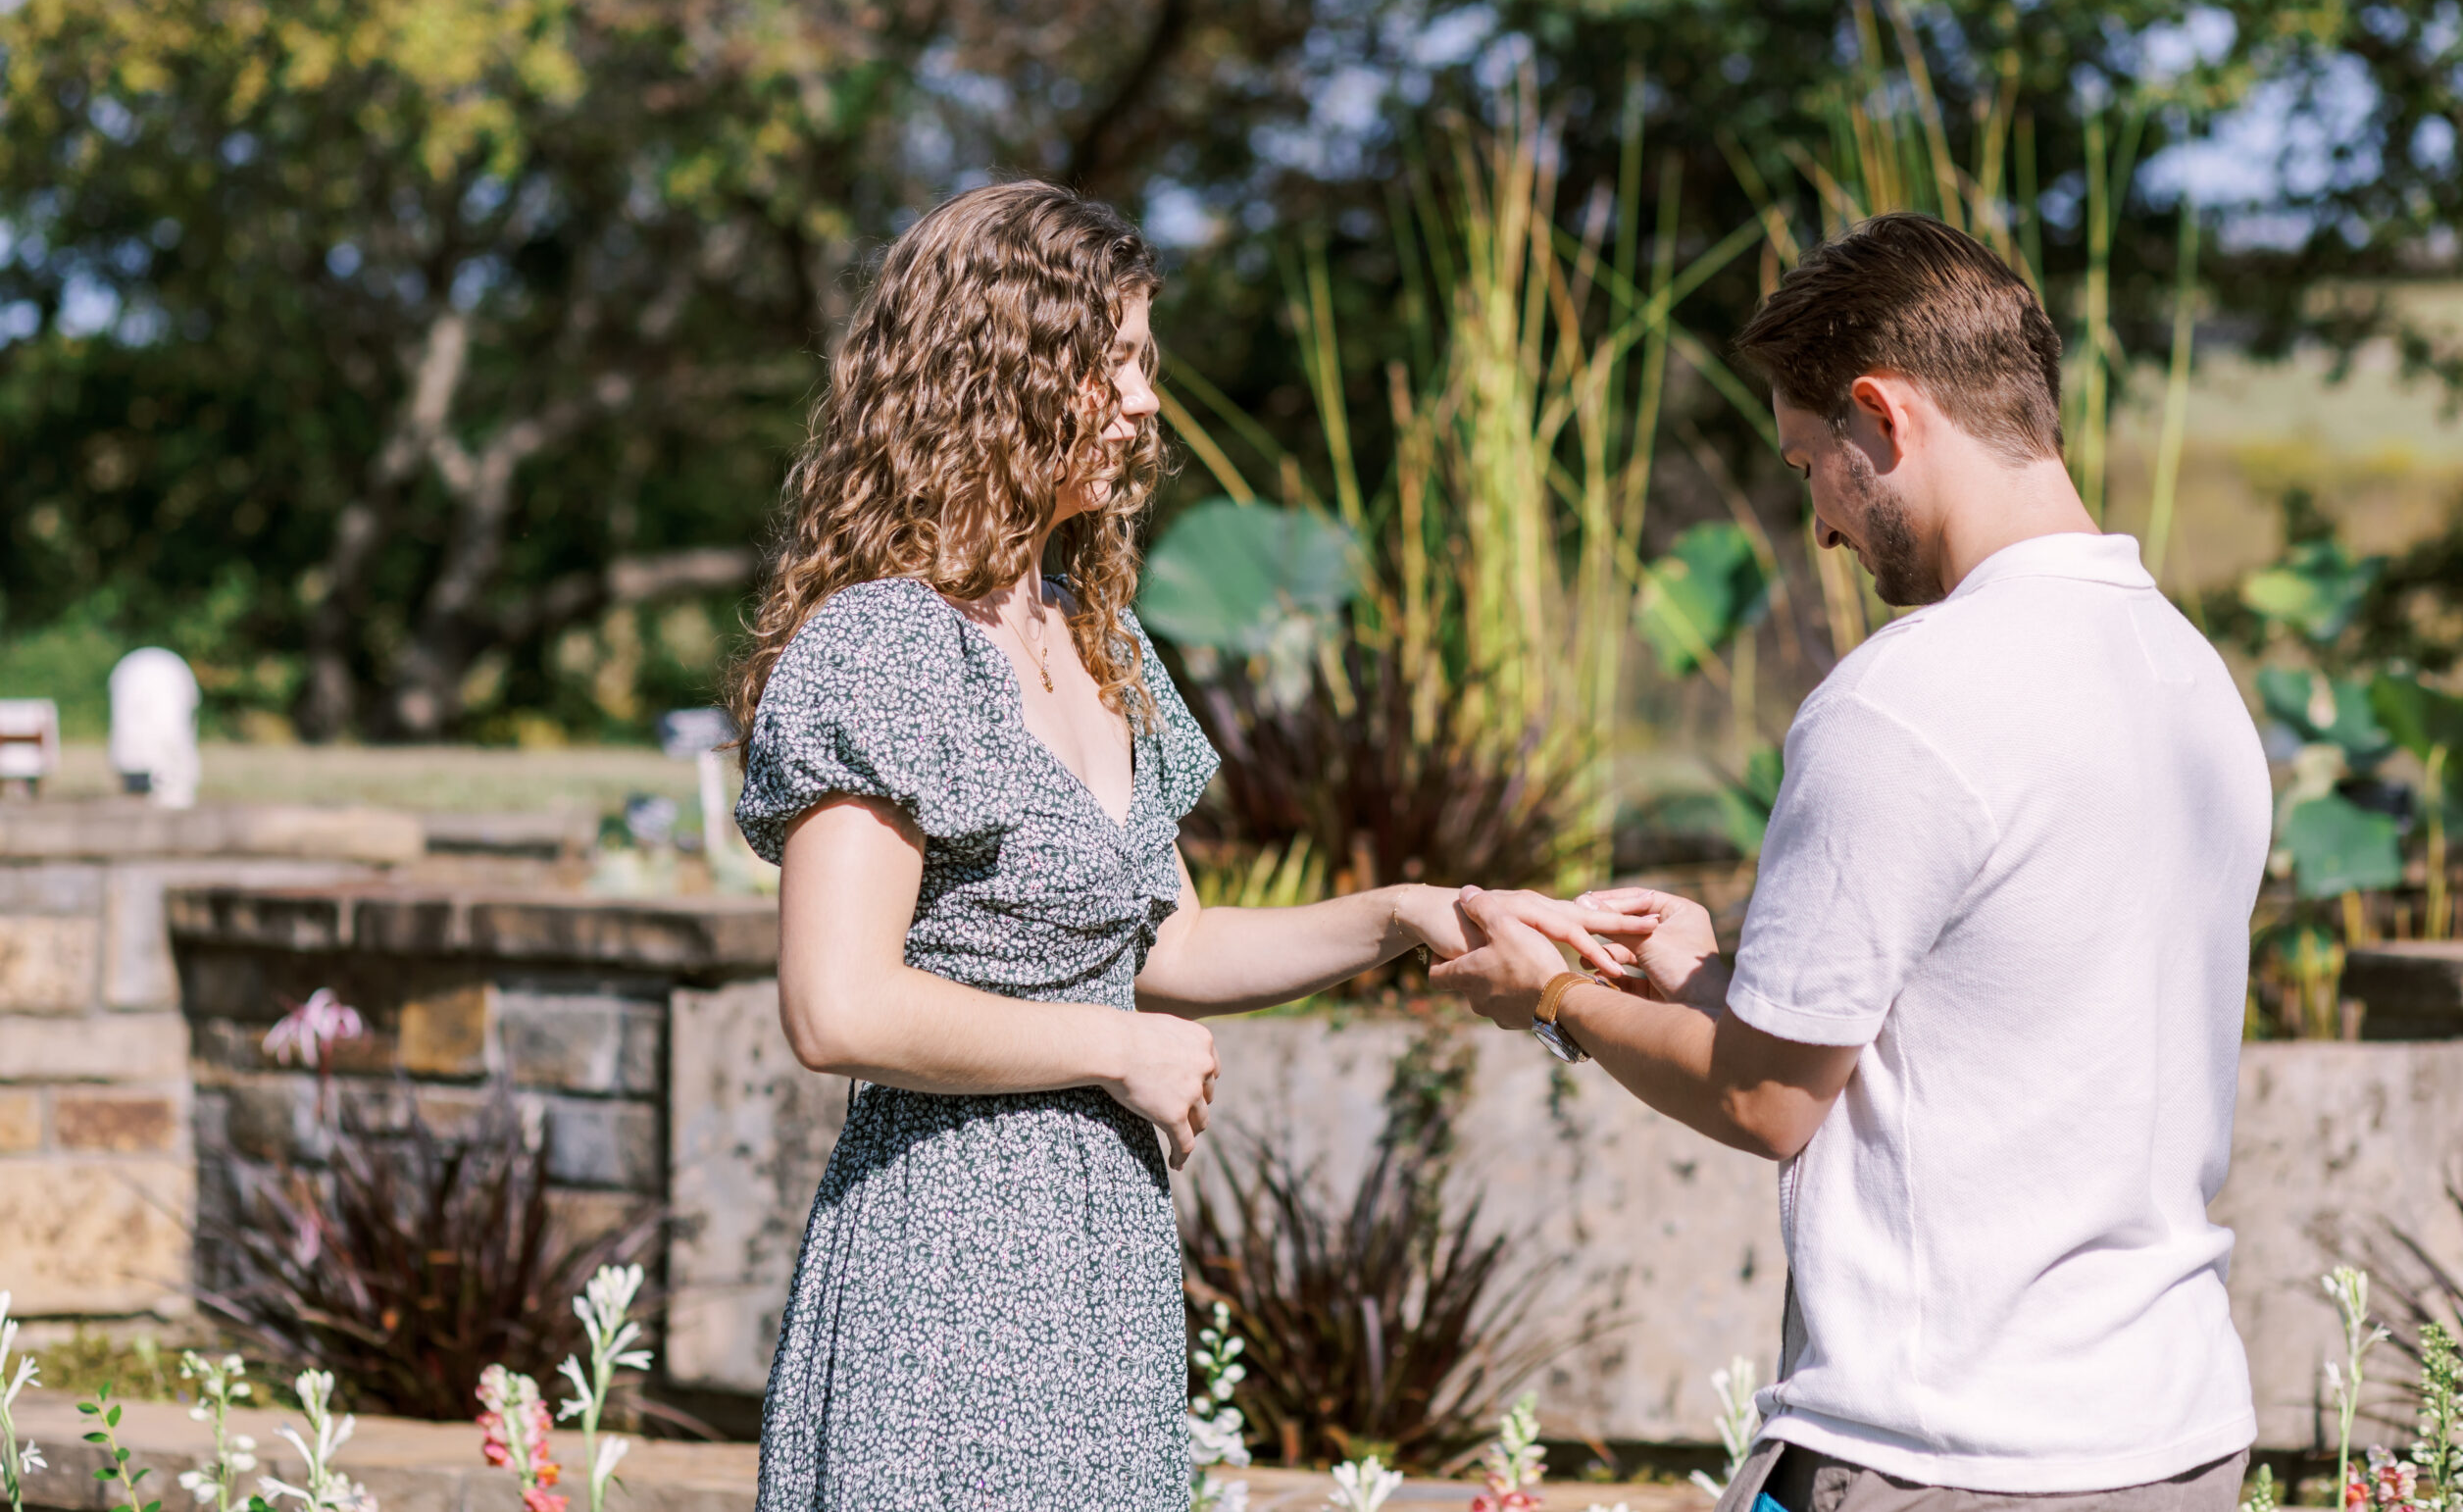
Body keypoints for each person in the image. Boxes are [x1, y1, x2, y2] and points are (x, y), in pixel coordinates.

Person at [729, 179, 1647, 1512]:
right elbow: (838, 1003)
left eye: (1142, 366)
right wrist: (1118, 1047)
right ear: (994, 377)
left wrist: (1404, 910)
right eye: (1108, 368)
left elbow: (1172, 940)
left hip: (1100, 1261)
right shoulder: (881, 648)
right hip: (948, 1267)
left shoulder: (1095, 639)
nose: (1143, 404)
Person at [1434, 212, 2271, 1509]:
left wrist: (1553, 999)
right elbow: (1947, 1051)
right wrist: (1709, 978)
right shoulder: (2189, 680)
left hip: (1943, 1454)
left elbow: (1767, 1103)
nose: (1820, 525)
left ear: (1882, 416)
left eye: (1809, 463)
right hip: (2174, 1440)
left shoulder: (1906, 699)